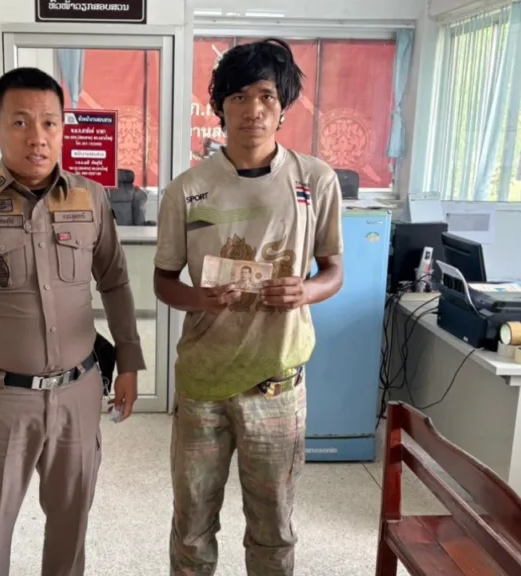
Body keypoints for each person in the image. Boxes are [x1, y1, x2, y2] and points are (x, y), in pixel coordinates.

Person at [0, 67, 145, 576]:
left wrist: (129, 362)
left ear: (63, 129)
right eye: (20, 123)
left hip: (79, 393)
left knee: (71, 523)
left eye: (49, 123)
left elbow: (115, 283)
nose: (37, 138)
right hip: (2, 399)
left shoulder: (91, 197)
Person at [153, 38, 345, 575]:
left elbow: (333, 272)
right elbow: (164, 282)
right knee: (192, 525)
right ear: (220, 107)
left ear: (283, 107)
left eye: (266, 96)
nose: (253, 109)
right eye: (238, 96)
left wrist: (305, 291)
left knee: (273, 528)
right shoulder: (188, 189)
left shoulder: (315, 181)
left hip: (277, 383)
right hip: (203, 382)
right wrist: (200, 297)